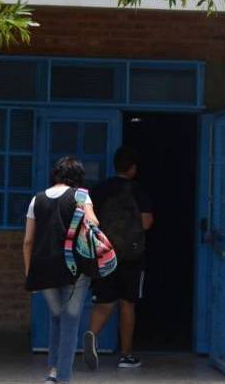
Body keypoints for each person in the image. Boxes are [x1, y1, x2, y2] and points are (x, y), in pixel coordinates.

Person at [24, 157, 99, 384]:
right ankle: (63, 378)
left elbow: (28, 241)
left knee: (56, 317)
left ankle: (53, 373)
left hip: (44, 268)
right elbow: (93, 223)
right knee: (70, 321)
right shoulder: (80, 195)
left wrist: (29, 273)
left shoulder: (36, 199)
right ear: (77, 177)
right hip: (74, 269)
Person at [83, 146, 155, 370]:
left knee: (104, 302)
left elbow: (88, 220)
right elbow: (146, 223)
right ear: (133, 168)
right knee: (127, 304)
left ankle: (92, 335)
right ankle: (126, 355)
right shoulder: (137, 190)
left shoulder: (99, 189)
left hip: (105, 254)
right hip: (132, 257)